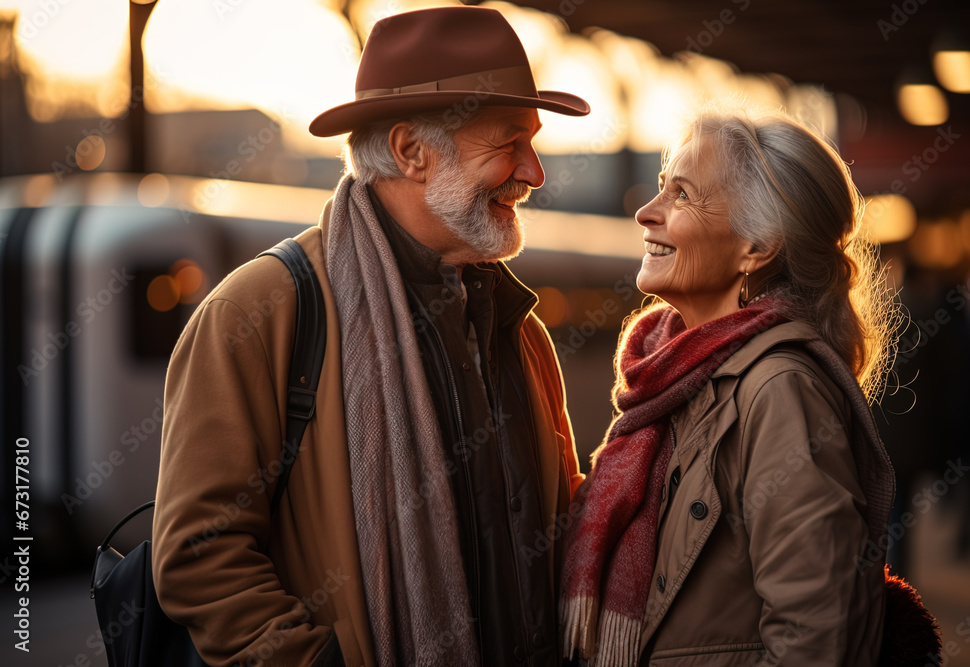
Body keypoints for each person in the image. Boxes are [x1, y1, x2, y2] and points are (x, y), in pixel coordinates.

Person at [152, 7, 587, 666]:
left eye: (533, 142)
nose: (534, 171)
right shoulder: (261, 312)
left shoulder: (518, 329)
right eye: (508, 143)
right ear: (412, 151)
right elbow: (199, 555)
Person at [559, 107, 899, 665]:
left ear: (757, 247)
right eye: (661, 188)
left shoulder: (778, 391)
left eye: (683, 195)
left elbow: (819, 637)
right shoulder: (677, 376)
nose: (646, 212)